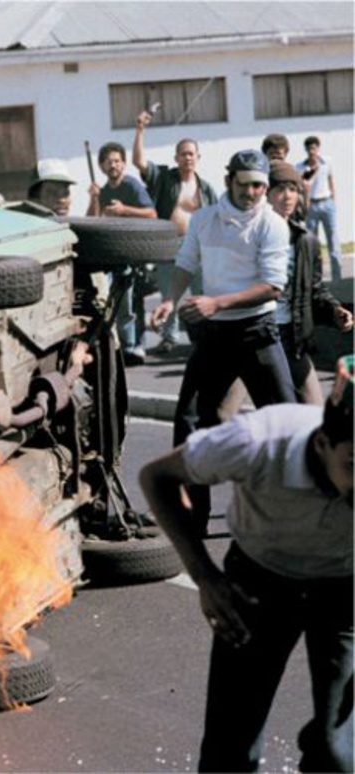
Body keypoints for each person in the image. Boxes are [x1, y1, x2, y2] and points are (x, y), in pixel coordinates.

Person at [139, 361, 353, 773]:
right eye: (354, 465)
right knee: (230, 749)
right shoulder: (258, 440)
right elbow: (157, 478)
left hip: (344, 590)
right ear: (323, 442)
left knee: (339, 751)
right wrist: (204, 576)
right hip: (260, 582)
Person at [150, 149, 296, 536]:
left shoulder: (272, 224)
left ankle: (295, 515)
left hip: (256, 331)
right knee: (190, 422)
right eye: (246, 184)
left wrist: (216, 302)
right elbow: (186, 263)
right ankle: (193, 520)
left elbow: (273, 287)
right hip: (214, 335)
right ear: (230, 179)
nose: (253, 192)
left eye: (260, 185)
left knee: (288, 421)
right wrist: (170, 299)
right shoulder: (203, 219)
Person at [268, 160, 354, 404]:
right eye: (280, 190)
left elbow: (314, 290)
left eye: (293, 189)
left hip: (291, 337)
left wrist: (335, 311)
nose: (287, 196)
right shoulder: (250, 237)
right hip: (256, 340)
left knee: (313, 410)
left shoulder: (306, 241)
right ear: (266, 194)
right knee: (221, 413)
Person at [132, 110, 218, 354]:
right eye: (183, 154)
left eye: (191, 154)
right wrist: (140, 130)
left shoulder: (206, 188)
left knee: (203, 292)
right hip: (171, 245)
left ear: (197, 157)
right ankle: (169, 337)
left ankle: (205, 336)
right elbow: (139, 162)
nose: (187, 158)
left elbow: (217, 217)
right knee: (169, 294)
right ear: (176, 157)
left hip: (199, 247)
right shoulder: (164, 178)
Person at [86, 141, 157, 365]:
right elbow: (92, 221)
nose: (113, 165)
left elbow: (152, 214)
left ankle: (135, 346)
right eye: (109, 162)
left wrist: (124, 210)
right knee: (115, 303)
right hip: (112, 255)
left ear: (124, 164)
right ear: (102, 167)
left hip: (135, 253)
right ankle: (122, 348)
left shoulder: (133, 186)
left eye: (117, 161)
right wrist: (94, 198)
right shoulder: (103, 191)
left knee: (132, 302)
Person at [296, 136, 342, 282]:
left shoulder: (326, 162)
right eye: (309, 149)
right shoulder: (301, 167)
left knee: (333, 241)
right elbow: (301, 186)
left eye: (314, 148)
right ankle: (316, 279)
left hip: (327, 203)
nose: (312, 152)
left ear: (318, 148)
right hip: (312, 206)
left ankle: (338, 278)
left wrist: (333, 198)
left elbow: (330, 179)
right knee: (313, 243)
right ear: (306, 150)